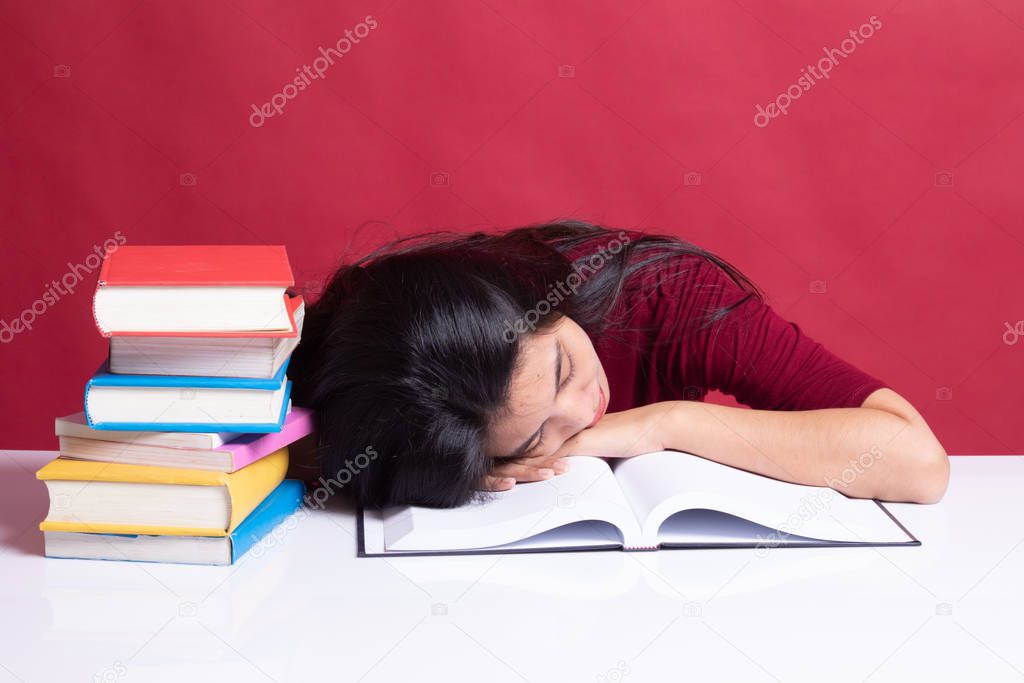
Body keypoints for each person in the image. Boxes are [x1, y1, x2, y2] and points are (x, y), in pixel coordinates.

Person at [288, 220, 948, 509]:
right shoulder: (397, 393)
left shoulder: (670, 293)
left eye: (562, 369)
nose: (581, 411)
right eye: (534, 437)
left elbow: (917, 461)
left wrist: (664, 424)